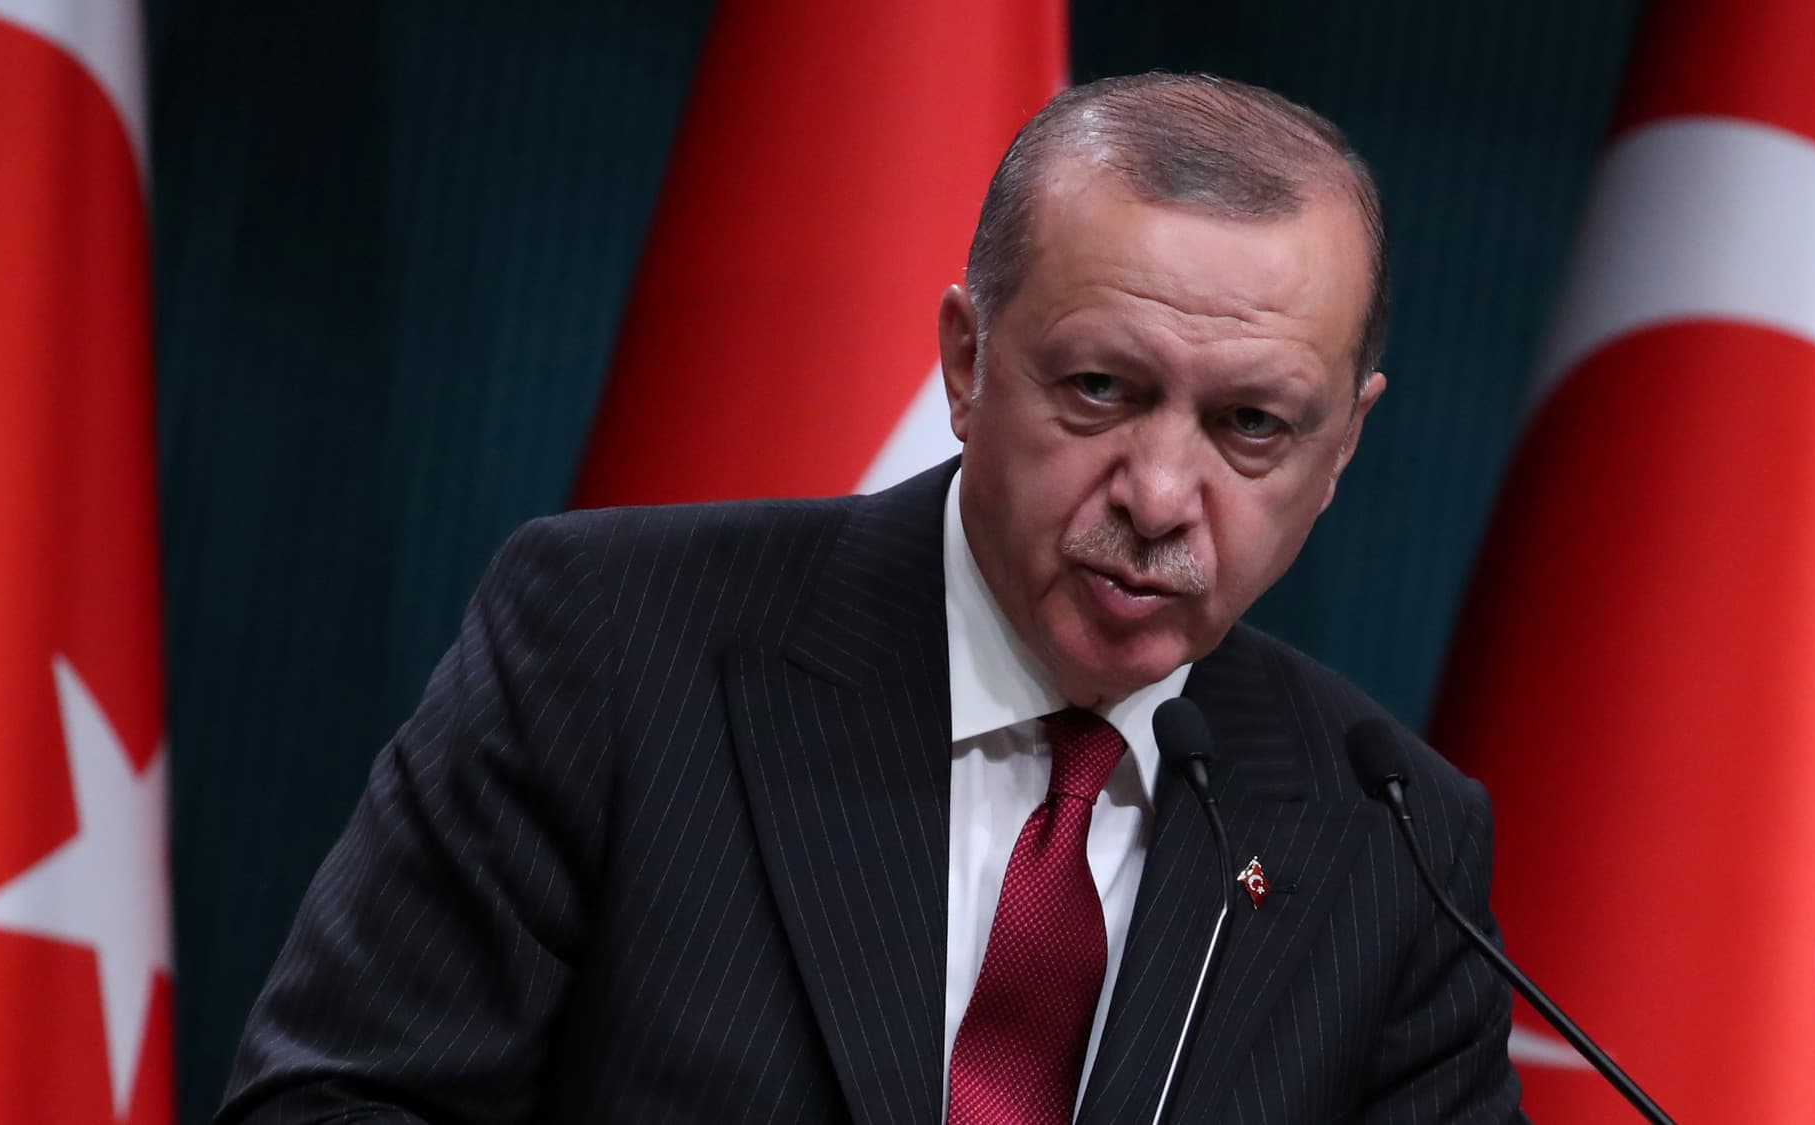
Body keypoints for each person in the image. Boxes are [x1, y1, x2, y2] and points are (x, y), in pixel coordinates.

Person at [218, 73, 1523, 1124]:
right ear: (968, 362)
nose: (1162, 493)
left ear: (1343, 446)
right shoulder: (612, 643)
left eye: (1250, 424)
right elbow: (335, 1098)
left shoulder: (1388, 844)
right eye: (1099, 391)